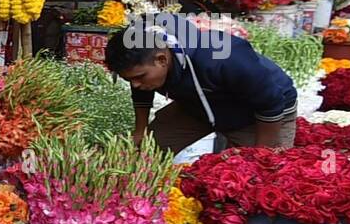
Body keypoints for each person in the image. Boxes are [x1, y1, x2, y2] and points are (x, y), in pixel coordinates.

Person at [104, 20, 297, 155]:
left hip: (259, 114)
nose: (136, 84)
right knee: (145, 150)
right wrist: (140, 130)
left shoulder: (223, 57)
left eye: (139, 78)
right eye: (129, 80)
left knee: (254, 178)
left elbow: (270, 102)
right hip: (197, 105)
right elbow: (139, 88)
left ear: (162, 59)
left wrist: (260, 153)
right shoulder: (144, 63)